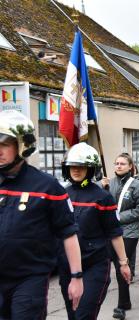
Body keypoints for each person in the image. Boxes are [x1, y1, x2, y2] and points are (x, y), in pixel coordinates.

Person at [0, 110, 83, 320]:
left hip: (29, 280)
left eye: (4, 144)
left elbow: (68, 233)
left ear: (22, 145)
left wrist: (76, 277)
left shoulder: (47, 187)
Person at [59, 143, 131, 319]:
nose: (76, 170)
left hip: (95, 265)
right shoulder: (61, 194)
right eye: (73, 166)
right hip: (67, 266)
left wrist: (123, 263)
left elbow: (114, 232)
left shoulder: (102, 197)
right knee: (73, 316)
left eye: (81, 166)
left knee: (84, 315)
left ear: (90, 169)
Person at [101, 153, 139, 319]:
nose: (118, 166)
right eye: (116, 163)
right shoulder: (109, 183)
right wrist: (103, 189)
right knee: (111, 265)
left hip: (129, 231)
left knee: (122, 265)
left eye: (122, 163)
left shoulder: (136, 185)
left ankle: (121, 305)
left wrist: (120, 217)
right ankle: (126, 300)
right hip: (111, 231)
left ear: (130, 166)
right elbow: (103, 206)